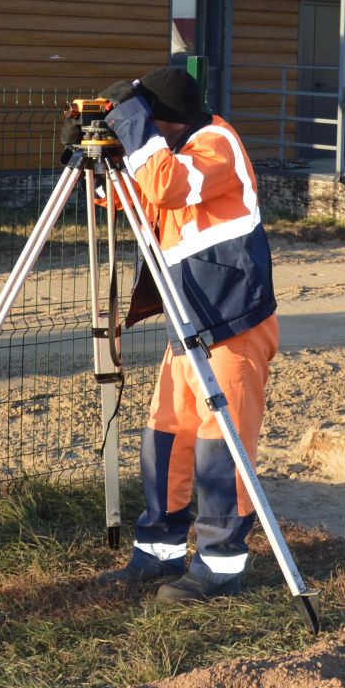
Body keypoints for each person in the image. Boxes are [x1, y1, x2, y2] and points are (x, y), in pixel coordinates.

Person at [73, 66, 279, 603]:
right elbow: (132, 197)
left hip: (234, 322)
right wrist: (92, 161)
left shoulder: (217, 143)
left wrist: (131, 122)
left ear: (166, 121)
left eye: (146, 122)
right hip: (189, 324)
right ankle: (158, 553)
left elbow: (165, 185)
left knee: (221, 446)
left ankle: (222, 564)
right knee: (167, 438)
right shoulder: (171, 150)